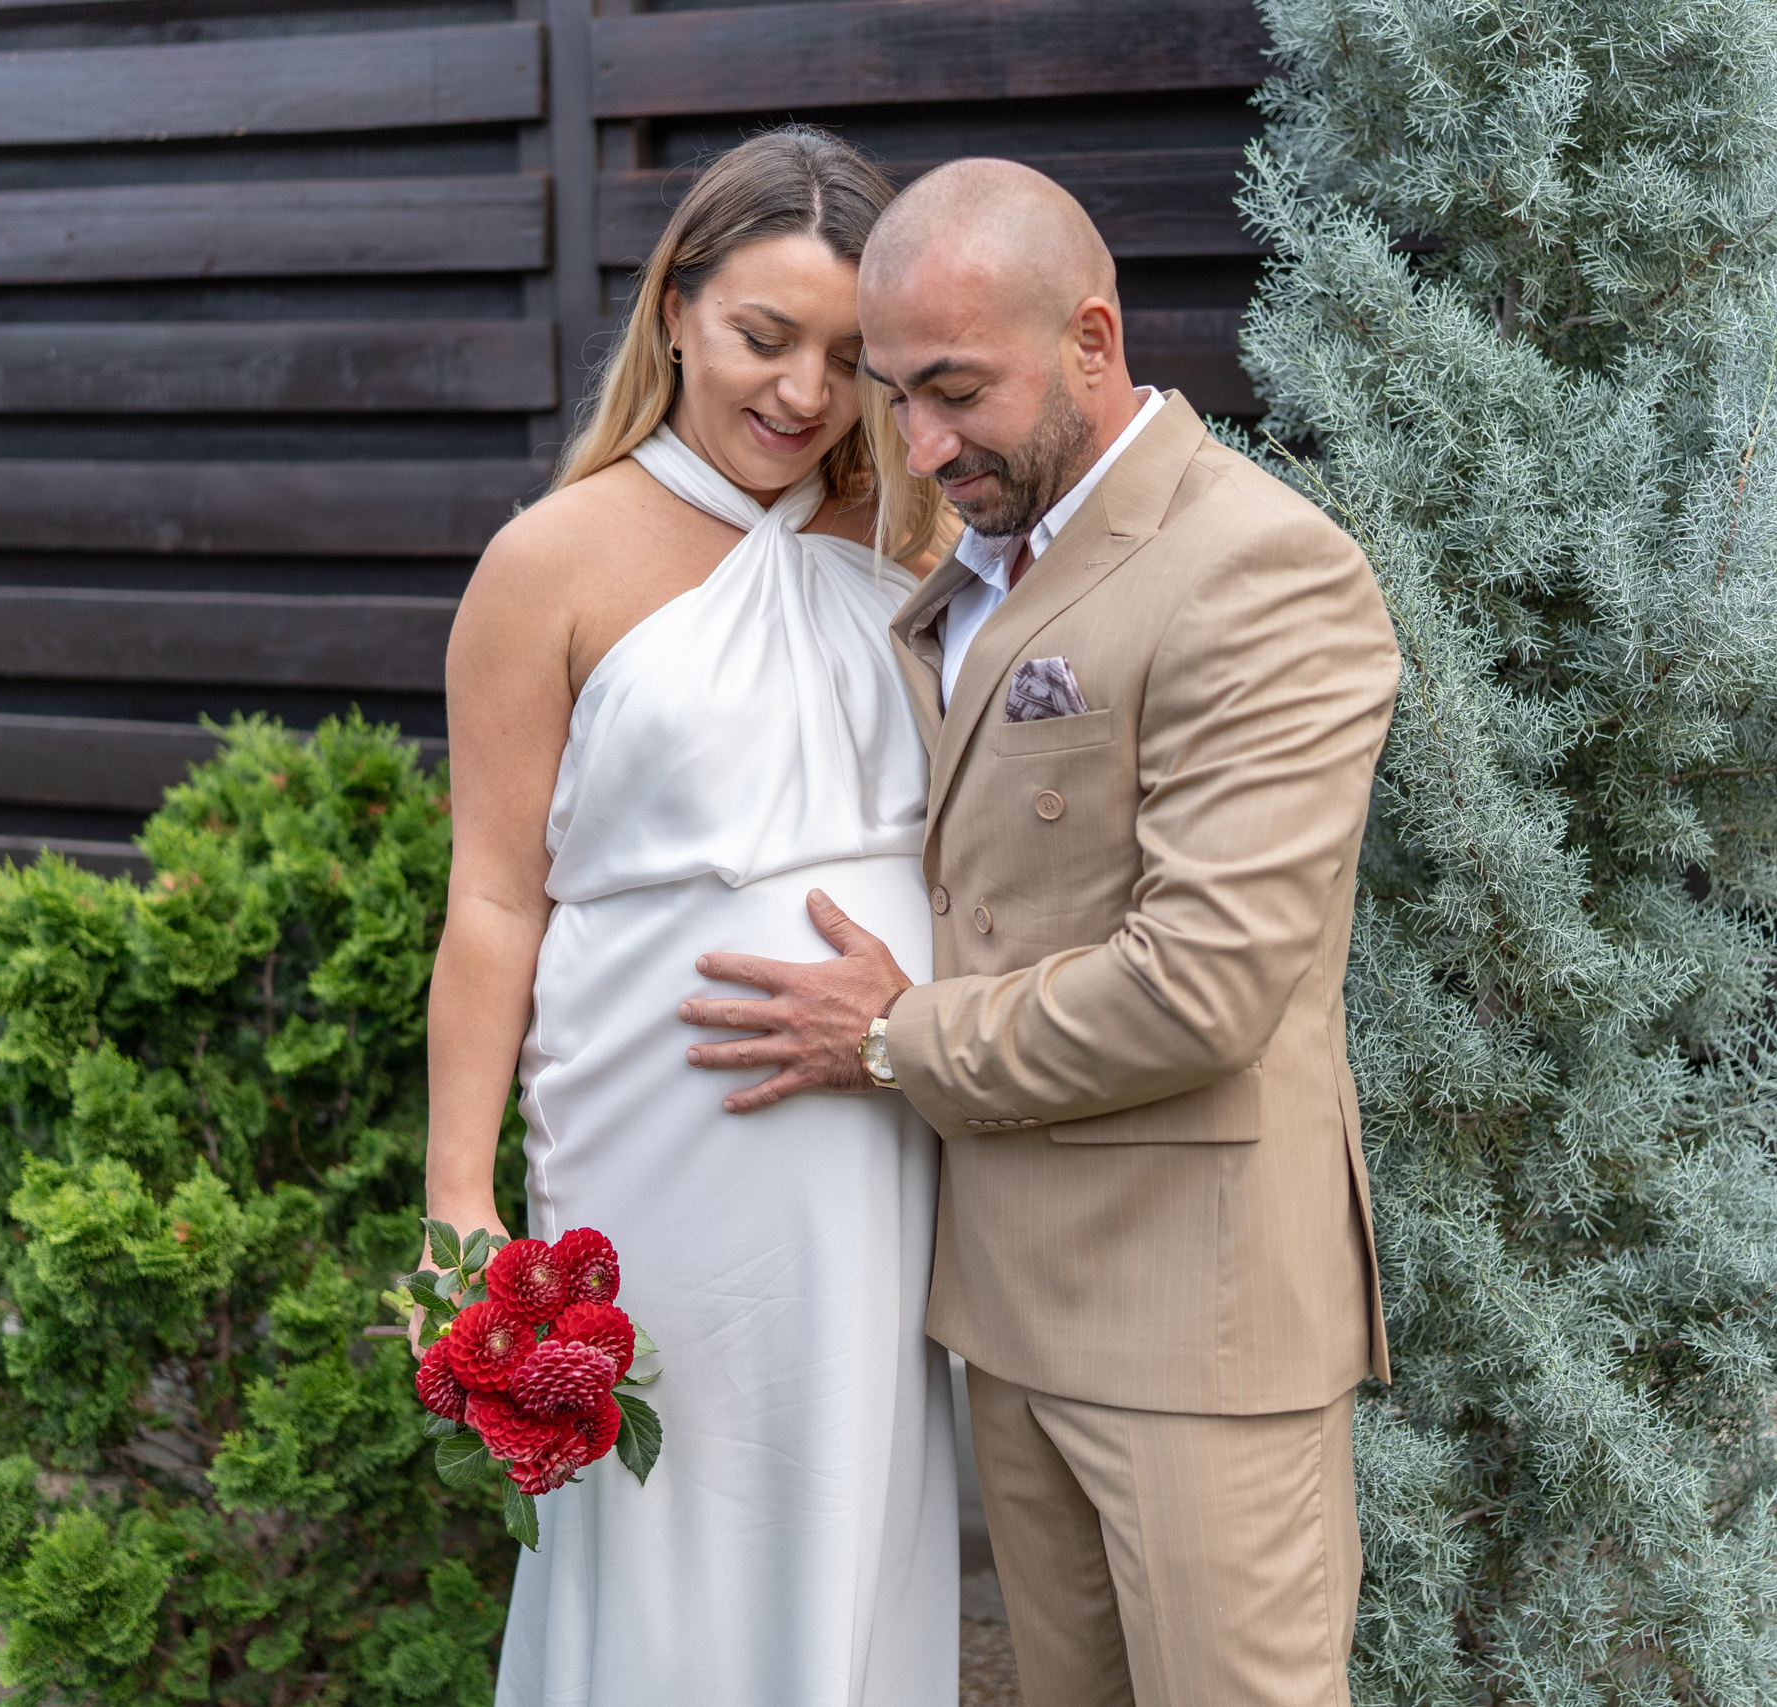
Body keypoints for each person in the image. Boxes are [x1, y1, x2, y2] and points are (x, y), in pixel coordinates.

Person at [678, 158, 1401, 1707]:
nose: (922, 446)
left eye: (956, 391)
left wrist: (885, 1036)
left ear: (1090, 337)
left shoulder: (1263, 569)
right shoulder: (977, 560)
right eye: (896, 397)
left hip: (1198, 1332)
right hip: (1004, 1310)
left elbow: (1202, 987)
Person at [423, 127, 958, 1706]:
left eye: (852, 357)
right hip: (655, 1137)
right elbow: (493, 898)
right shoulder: (550, 560)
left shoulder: (911, 550)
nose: (803, 392)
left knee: (854, 1515)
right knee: (665, 1530)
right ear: (675, 311)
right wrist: (461, 1205)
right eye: (764, 336)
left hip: (881, 1144)